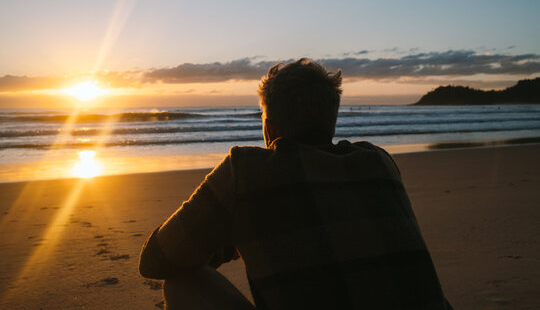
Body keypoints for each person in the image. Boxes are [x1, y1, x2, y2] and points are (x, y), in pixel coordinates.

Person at [139, 58, 452, 309]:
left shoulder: (246, 171)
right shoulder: (378, 162)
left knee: (181, 282)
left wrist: (232, 234)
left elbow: (158, 259)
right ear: (332, 120)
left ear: (270, 128)